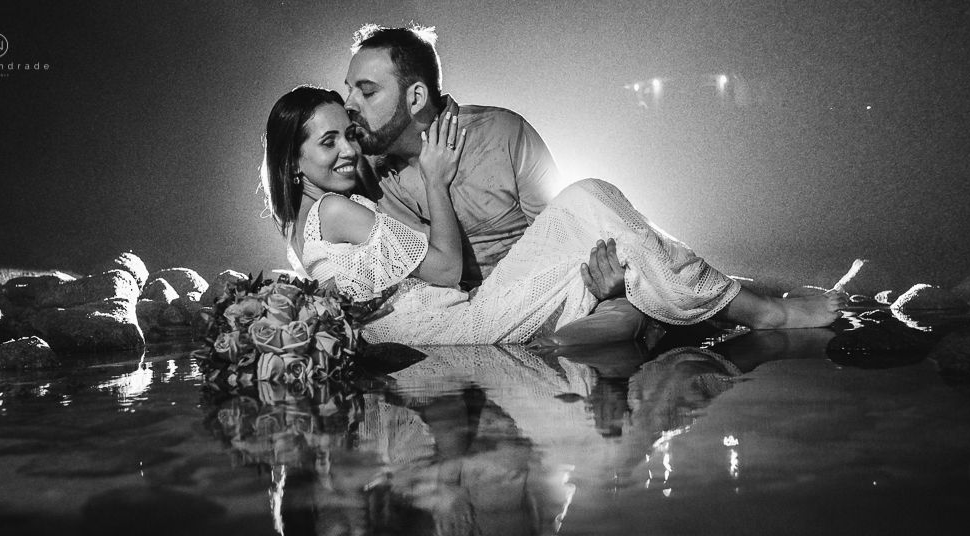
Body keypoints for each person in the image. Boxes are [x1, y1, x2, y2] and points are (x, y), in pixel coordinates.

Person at [262, 86, 844, 346]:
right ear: (293, 161)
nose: (347, 149)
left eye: (348, 132)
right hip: (462, 330)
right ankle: (762, 314)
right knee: (595, 205)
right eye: (328, 142)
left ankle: (736, 305)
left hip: (460, 320)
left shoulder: (312, 218)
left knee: (603, 224)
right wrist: (437, 179)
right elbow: (441, 270)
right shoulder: (338, 209)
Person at [344, 24, 650, 341]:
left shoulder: (501, 133)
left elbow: (565, 239)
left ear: (416, 97)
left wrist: (608, 278)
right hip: (458, 319)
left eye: (367, 92)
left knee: (588, 195)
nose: (350, 104)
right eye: (349, 90)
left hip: (544, 295)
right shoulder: (363, 173)